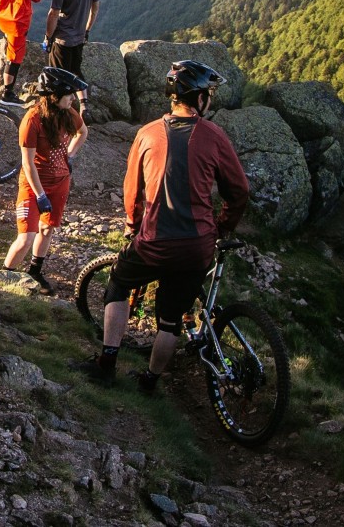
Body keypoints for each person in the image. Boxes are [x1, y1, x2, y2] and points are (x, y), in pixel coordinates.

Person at [72, 60, 249, 389]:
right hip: (197, 246)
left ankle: (106, 365)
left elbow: (132, 190)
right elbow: (239, 192)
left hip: (154, 241)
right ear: (199, 99)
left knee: (118, 283)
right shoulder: (214, 136)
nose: (209, 100)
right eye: (209, 95)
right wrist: (222, 228)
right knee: (170, 321)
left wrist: (133, 224)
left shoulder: (147, 133)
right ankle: (150, 381)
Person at [3, 67, 89, 295]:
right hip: (33, 184)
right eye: (69, 94)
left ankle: (35, 271)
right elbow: (27, 163)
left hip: (60, 181)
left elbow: (83, 132)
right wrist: (40, 195)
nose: (73, 99)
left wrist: (70, 155)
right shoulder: (32, 121)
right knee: (26, 237)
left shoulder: (67, 113)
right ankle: (3, 277)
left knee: (47, 229)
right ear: (54, 95)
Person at [43, 0, 99, 123]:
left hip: (62, 39)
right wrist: (87, 30)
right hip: (79, 37)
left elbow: (53, 13)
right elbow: (95, 8)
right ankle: (84, 105)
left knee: (58, 76)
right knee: (76, 70)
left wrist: (48, 37)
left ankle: (60, 115)